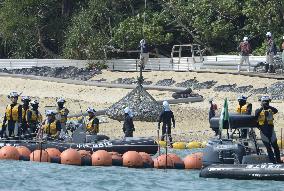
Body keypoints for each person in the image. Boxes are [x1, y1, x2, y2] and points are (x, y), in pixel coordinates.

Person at [255, 96, 281, 163]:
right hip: (263, 132)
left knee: (275, 146)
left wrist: (268, 106)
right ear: (261, 102)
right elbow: (256, 115)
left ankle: (278, 160)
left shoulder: (271, 110)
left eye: (267, 101)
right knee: (268, 148)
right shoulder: (258, 110)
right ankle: (272, 161)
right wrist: (262, 107)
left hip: (271, 131)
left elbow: (276, 110)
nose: (266, 103)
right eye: (264, 101)